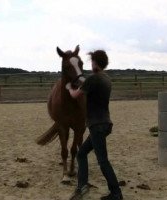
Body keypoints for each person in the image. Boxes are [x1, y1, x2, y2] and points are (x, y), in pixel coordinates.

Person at [66, 50, 123, 200]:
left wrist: (69, 88)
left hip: (96, 125)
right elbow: (88, 87)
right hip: (104, 123)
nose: (91, 64)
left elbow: (75, 95)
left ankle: (116, 193)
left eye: (92, 61)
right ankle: (82, 186)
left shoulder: (93, 79)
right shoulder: (106, 79)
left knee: (103, 161)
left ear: (95, 63)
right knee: (81, 153)